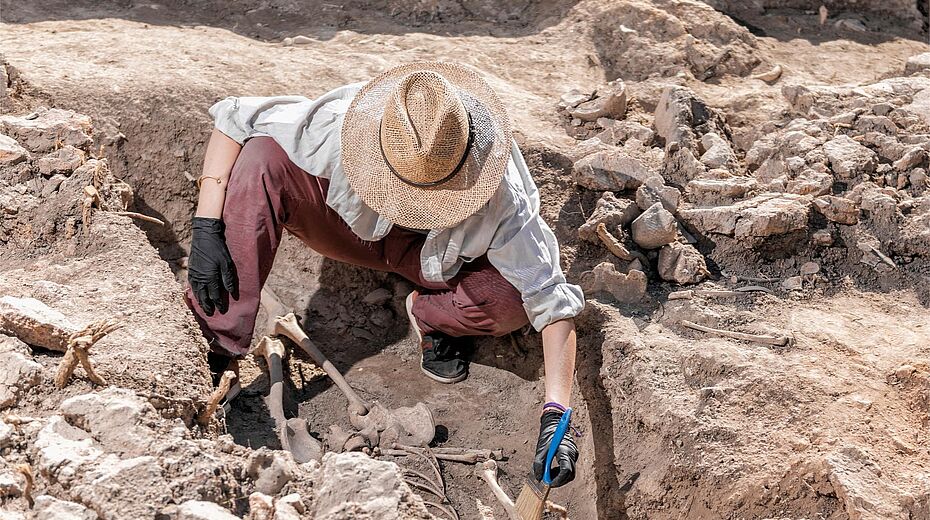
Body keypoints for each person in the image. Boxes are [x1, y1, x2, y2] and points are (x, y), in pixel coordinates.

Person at [186, 62, 581, 486]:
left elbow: (551, 300)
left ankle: (430, 315)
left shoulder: (500, 192)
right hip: (346, 230)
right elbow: (233, 118)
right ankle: (217, 350)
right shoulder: (342, 123)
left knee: (508, 299)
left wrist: (557, 417)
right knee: (262, 159)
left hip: (437, 258)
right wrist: (207, 225)